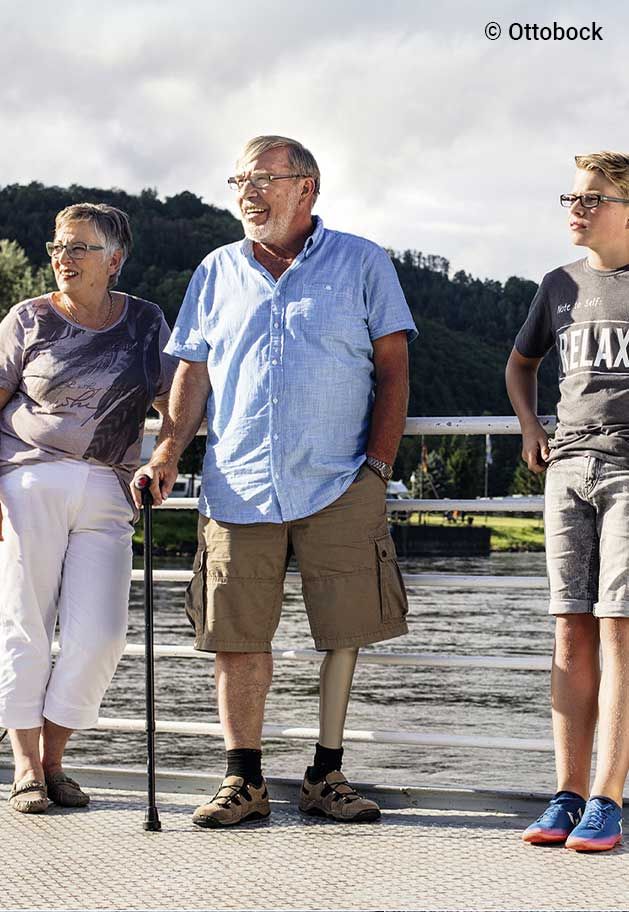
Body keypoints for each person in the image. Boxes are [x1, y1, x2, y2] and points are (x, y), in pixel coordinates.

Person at [134, 135, 417, 828]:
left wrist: (378, 468)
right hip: (237, 482)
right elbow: (192, 371)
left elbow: (393, 371)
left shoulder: (362, 261)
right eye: (240, 181)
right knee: (236, 634)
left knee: (344, 629)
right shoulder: (216, 269)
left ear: (306, 188)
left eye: (263, 179)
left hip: (340, 479)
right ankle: (244, 780)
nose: (248, 194)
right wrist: (168, 450)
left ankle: (326, 774)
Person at [0, 203, 176, 813]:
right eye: (58, 246)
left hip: (108, 485)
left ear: (114, 259)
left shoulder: (145, 323)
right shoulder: (28, 319)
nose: (63, 258)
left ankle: (55, 758)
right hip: (27, 481)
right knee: (24, 624)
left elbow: (175, 401)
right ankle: (28, 768)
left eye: (78, 247)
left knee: (100, 635)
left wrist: (165, 455)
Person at [506, 151, 629, 852]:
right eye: (571, 198)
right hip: (567, 468)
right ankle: (567, 794)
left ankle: (607, 799)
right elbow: (520, 363)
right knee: (568, 630)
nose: (575, 209)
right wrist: (529, 425)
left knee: (618, 630)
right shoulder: (557, 285)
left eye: (592, 198)